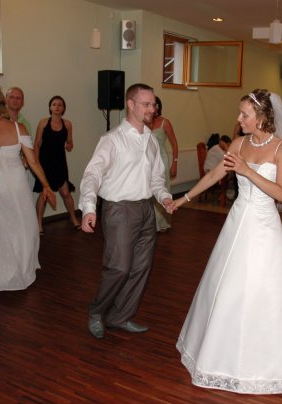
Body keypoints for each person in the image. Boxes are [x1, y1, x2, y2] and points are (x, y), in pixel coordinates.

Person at [170, 89, 282, 394]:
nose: (239, 119)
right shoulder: (239, 144)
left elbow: (280, 193)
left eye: (245, 114)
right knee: (227, 286)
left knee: (265, 291)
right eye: (240, 113)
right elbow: (214, 175)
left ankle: (268, 361)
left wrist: (246, 171)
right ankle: (218, 353)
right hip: (237, 222)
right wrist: (183, 199)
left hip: (264, 226)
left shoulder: (281, 149)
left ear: (262, 117)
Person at [79, 83, 173, 339]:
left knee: (141, 268)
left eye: (153, 104)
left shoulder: (151, 140)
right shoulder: (112, 139)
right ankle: (96, 312)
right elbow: (92, 174)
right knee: (119, 268)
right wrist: (89, 208)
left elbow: (156, 178)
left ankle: (120, 317)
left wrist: (164, 197)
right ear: (130, 104)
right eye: (146, 104)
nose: (152, 109)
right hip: (119, 210)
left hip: (146, 209)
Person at [0, 85, 55, 292]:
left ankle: (7, 272)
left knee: (2, 227)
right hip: (17, 182)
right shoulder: (19, 128)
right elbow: (33, 162)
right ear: (3, 103)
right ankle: (23, 269)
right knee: (26, 225)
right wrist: (46, 185)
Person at [33, 95, 80, 233]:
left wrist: (69, 145)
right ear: (50, 107)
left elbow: (70, 143)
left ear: (63, 108)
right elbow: (37, 144)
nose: (57, 107)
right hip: (44, 162)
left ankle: (73, 218)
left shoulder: (67, 124)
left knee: (65, 192)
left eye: (60, 105)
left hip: (60, 162)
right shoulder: (43, 122)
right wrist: (36, 162)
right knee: (44, 195)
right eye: (54, 104)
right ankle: (39, 224)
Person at [149, 96, 179, 232]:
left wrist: (175, 163)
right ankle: (149, 222)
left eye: (154, 105)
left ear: (158, 107)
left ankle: (161, 223)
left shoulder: (164, 122)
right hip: (147, 160)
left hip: (161, 158)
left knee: (162, 187)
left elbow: (174, 144)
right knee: (148, 190)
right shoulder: (144, 122)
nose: (152, 108)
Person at [6, 86, 36, 191]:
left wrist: (25, 160)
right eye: (12, 97)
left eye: (18, 98)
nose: (15, 100)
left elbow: (28, 150)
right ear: (6, 99)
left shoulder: (25, 124)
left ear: (22, 102)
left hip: (17, 171)